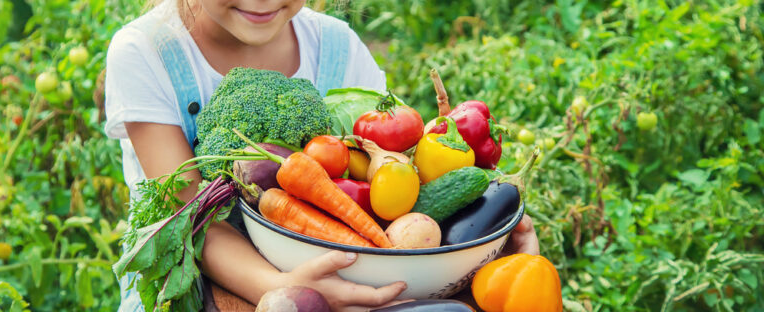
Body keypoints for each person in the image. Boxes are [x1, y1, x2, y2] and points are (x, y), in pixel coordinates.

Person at [103, 0, 541, 310]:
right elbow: (192, 218)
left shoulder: (336, 47)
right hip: (194, 277)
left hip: (343, 266)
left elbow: (390, 175)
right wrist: (284, 288)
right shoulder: (149, 52)